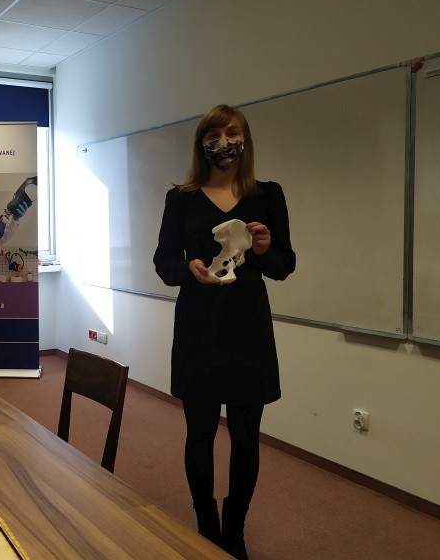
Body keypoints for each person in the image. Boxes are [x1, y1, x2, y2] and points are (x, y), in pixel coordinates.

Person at [153, 104, 295, 559]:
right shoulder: (181, 198)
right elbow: (163, 261)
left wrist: (265, 248)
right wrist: (188, 268)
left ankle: (234, 530)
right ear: (201, 144)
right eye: (213, 134)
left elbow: (284, 266)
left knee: (246, 439)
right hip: (199, 328)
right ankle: (205, 526)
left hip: (248, 329)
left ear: (245, 139)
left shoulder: (267, 195)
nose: (224, 142)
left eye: (232, 132)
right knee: (199, 434)